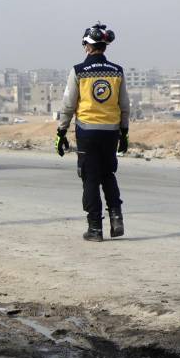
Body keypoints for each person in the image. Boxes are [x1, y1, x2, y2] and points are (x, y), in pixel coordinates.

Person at [56, 22, 130, 241]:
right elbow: (124, 105)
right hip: (111, 132)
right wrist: (124, 133)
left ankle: (95, 228)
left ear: (87, 46)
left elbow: (68, 105)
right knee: (108, 174)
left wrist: (61, 132)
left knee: (90, 177)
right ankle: (117, 217)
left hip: (87, 132)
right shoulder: (117, 71)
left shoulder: (78, 71)